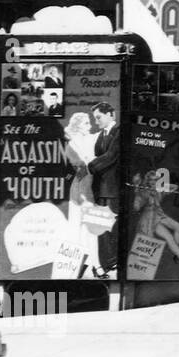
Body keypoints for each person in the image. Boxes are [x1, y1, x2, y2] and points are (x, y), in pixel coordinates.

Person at [131, 170, 179, 274]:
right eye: (151, 180)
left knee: (178, 227)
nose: (153, 182)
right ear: (148, 181)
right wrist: (137, 188)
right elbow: (136, 208)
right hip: (150, 220)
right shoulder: (143, 192)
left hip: (160, 216)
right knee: (169, 238)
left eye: (156, 180)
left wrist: (162, 185)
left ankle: (178, 254)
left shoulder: (159, 191)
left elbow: (174, 187)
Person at [81, 102, 121, 276]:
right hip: (101, 188)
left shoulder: (119, 131)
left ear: (111, 114)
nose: (96, 121)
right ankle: (107, 263)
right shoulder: (101, 135)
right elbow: (99, 154)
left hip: (112, 188)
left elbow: (111, 156)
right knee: (100, 226)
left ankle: (112, 262)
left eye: (99, 117)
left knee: (111, 226)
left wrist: (88, 167)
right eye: (95, 118)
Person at [63, 112, 103, 278]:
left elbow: (103, 133)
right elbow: (80, 170)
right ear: (78, 126)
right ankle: (73, 269)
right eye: (86, 123)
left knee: (91, 231)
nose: (90, 125)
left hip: (89, 190)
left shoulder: (90, 139)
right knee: (76, 232)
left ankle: (96, 265)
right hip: (78, 192)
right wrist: (90, 161)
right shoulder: (70, 146)